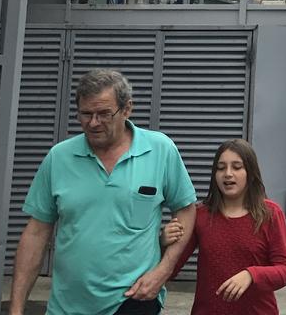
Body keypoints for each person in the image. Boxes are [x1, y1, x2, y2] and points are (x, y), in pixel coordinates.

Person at [10, 69, 197, 315]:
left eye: (104, 114)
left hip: (134, 298)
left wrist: (163, 271)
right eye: (86, 114)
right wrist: (15, 309)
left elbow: (186, 209)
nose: (93, 123)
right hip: (68, 305)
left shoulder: (160, 150)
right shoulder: (59, 157)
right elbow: (35, 233)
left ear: (127, 109)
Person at [162, 138, 286, 314]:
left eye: (237, 167)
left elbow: (284, 271)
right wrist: (162, 243)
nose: (228, 174)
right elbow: (170, 268)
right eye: (221, 168)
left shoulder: (270, 214)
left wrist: (251, 275)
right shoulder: (200, 215)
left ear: (250, 172)